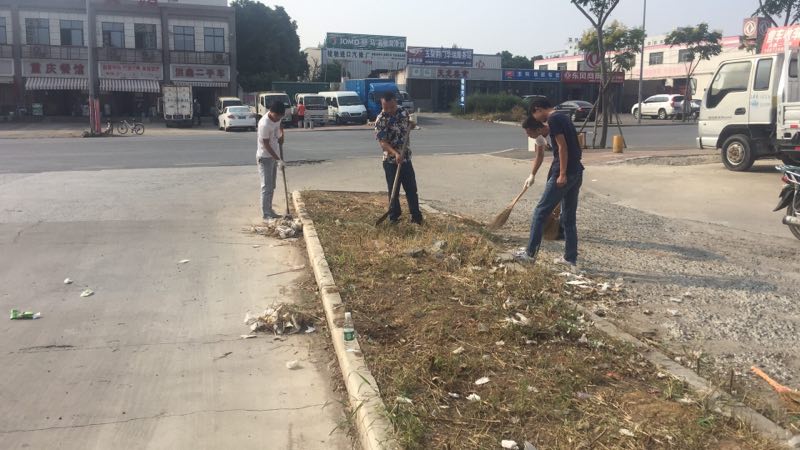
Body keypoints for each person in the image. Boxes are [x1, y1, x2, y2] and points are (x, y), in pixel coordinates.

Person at [516, 97, 584, 266]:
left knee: (540, 212)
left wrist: (562, 174)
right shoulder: (564, 117)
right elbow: (574, 144)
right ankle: (570, 258)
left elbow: (562, 147)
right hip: (576, 171)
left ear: (538, 109)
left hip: (564, 172)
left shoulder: (553, 119)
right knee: (568, 217)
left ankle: (530, 254)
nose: (537, 119)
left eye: (534, 115)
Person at [375, 91, 422, 225]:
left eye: (391, 107)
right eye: (385, 107)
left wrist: (412, 124)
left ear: (395, 102)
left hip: (405, 158)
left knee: (411, 189)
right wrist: (395, 154)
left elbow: (410, 126)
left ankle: (416, 217)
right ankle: (394, 217)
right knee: (393, 190)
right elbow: (383, 143)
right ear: (382, 105)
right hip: (390, 161)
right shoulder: (381, 119)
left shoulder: (403, 112)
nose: (389, 110)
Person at [521, 117, 564, 241]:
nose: (529, 136)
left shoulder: (555, 130)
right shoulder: (539, 137)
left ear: (538, 129)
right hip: (557, 164)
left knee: (559, 197)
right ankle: (553, 225)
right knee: (554, 195)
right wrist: (532, 175)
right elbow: (539, 155)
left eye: (529, 133)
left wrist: (563, 173)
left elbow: (564, 150)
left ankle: (560, 228)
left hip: (565, 165)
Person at [257, 100, 286, 220]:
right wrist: (278, 160)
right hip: (265, 158)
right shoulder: (264, 124)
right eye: (277, 116)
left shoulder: (277, 119)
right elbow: (266, 145)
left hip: (274, 156)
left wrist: (282, 134)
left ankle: (270, 210)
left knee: (272, 186)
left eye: (280, 117)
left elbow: (279, 131)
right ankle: (266, 214)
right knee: (266, 187)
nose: (278, 119)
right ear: (271, 112)